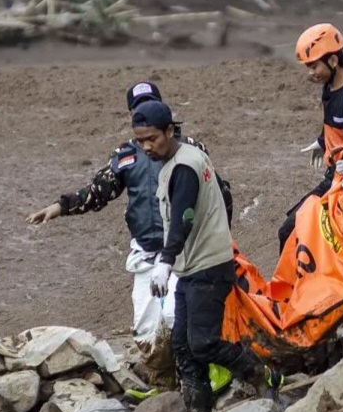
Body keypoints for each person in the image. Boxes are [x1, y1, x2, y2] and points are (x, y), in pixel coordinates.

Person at [25, 81, 233, 353]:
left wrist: (220, 238)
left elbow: (218, 193)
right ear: (131, 115)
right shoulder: (124, 156)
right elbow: (99, 191)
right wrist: (60, 206)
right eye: (138, 108)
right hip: (146, 252)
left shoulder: (190, 150)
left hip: (186, 251)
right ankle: (162, 384)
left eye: (149, 105)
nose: (143, 113)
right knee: (146, 329)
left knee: (178, 319)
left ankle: (204, 376)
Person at [130, 100, 278, 412]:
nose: (146, 147)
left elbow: (183, 217)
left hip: (208, 268)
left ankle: (261, 374)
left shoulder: (184, 167)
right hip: (193, 269)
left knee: (203, 343)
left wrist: (164, 262)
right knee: (182, 345)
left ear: (170, 130)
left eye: (152, 139)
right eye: (140, 141)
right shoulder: (182, 160)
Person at [279, 23, 343, 324]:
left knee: (340, 249)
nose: (309, 72)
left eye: (313, 66)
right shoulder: (330, 90)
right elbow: (337, 123)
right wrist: (322, 141)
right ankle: (302, 296)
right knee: (289, 230)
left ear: (333, 61)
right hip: (333, 178)